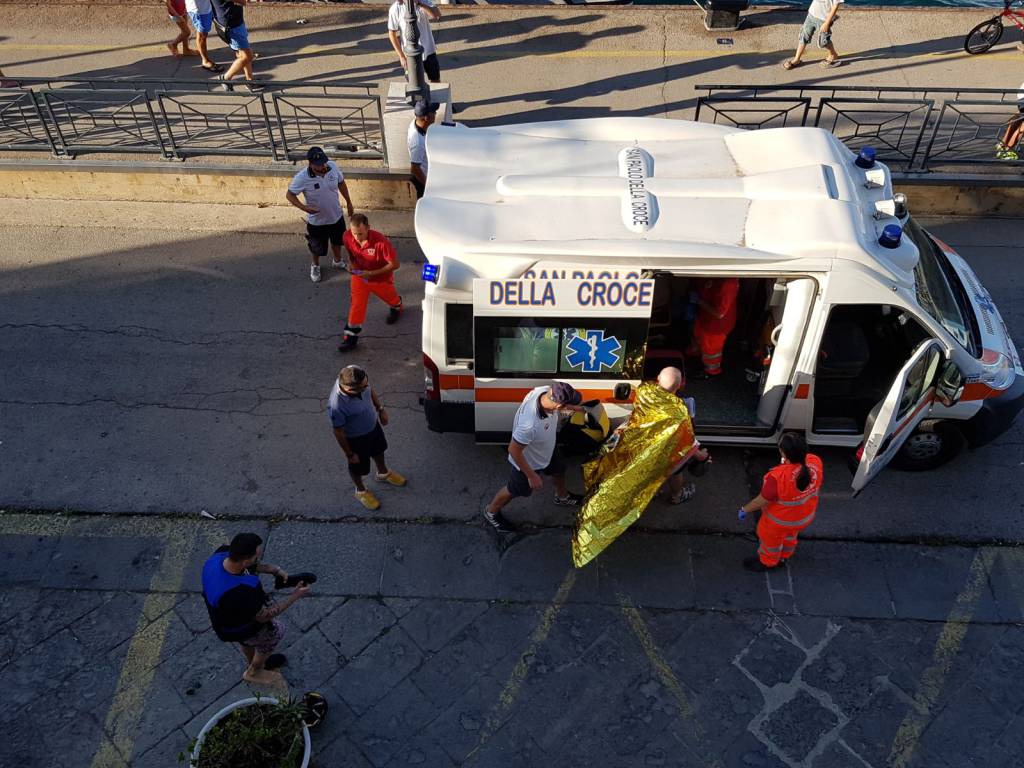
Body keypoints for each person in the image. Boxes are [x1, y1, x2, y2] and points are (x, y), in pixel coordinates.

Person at [201, 532, 311, 685]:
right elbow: (264, 616)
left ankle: (252, 660)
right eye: (255, 557)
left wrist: (274, 570)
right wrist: (295, 595)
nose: (257, 560)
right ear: (245, 561)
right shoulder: (241, 593)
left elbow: (250, 566)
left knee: (246, 642)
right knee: (275, 634)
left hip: (224, 620)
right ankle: (254, 671)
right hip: (240, 627)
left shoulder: (220, 555)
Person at [484, 382, 586, 534]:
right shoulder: (529, 425)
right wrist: (531, 475)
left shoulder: (544, 391)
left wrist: (579, 409)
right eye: (568, 404)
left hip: (547, 450)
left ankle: (562, 497)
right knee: (514, 489)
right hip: (529, 463)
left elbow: (561, 405)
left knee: (559, 469)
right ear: (558, 406)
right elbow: (513, 450)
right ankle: (491, 512)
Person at [738, 433, 823, 572]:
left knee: (770, 542)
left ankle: (768, 562)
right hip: (802, 517)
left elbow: (761, 500)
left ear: (784, 453)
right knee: (790, 538)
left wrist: (744, 509)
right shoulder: (815, 462)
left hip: (778, 522)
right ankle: (784, 557)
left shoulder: (778, 478)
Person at [328, 364, 406, 511]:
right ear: (351, 389)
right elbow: (338, 431)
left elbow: (370, 391)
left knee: (379, 450)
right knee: (358, 468)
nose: (367, 385)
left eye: (366, 382)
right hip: (356, 439)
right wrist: (349, 454)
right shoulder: (336, 405)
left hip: (372, 427)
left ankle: (383, 473)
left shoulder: (356, 373)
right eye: (363, 386)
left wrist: (380, 409)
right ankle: (361, 491)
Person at [286, 146, 355, 284]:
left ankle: (337, 261)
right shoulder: (302, 178)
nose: (322, 166)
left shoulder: (333, 167)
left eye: (323, 162)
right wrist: (304, 208)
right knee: (316, 247)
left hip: (336, 215)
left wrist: (348, 202)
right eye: (318, 165)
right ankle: (315, 266)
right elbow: (290, 195)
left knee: (337, 241)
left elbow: (341, 183)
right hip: (317, 221)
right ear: (310, 164)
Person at [338, 214, 402, 352]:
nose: (357, 237)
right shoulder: (347, 236)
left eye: (360, 234)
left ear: (368, 228)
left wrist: (371, 274)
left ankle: (397, 305)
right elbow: (350, 253)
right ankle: (350, 339)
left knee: (391, 298)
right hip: (359, 276)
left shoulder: (381, 242)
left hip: (380, 279)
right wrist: (352, 265)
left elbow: (395, 264)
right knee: (357, 306)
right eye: (354, 233)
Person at [687, 277, 740, 379]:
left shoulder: (728, 285)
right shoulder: (718, 277)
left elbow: (719, 313)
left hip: (716, 327)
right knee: (698, 337)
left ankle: (711, 371)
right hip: (705, 317)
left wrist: (699, 301)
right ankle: (696, 354)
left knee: (711, 351)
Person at [387, 0, 442, 85]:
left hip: (428, 50)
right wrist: (401, 56)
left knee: (435, 79)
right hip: (409, 54)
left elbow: (437, 15)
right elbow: (392, 34)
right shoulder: (395, 8)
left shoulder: (423, 1)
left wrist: (420, 4)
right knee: (414, 83)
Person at [783, 0, 843, 70]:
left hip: (824, 19)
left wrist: (827, 23)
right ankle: (797, 59)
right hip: (811, 15)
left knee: (823, 42)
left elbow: (835, 5)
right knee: (804, 36)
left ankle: (833, 54)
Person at [210, 0, 256, 92]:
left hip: (232, 20)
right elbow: (243, 2)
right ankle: (225, 78)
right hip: (231, 24)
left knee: (242, 53)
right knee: (247, 56)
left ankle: (250, 81)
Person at [408, 100, 438, 199]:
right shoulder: (418, 142)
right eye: (433, 112)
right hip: (423, 180)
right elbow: (415, 168)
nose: (435, 114)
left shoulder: (415, 122)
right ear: (426, 118)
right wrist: (427, 186)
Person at [186, 0, 222, 72]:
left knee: (203, 33)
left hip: (207, 6)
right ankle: (205, 61)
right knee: (202, 35)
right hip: (200, 10)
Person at [996, 81, 1024, 161]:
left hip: (1022, 95)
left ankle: (1004, 145)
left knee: (1019, 117)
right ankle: (1008, 150)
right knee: (1022, 125)